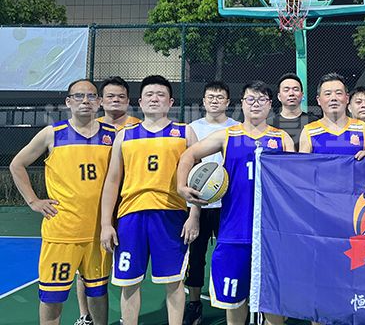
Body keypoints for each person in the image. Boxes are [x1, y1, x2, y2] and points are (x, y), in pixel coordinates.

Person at [177, 81, 294, 325]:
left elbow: (293, 182)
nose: (255, 104)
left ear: (270, 105)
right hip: (234, 232)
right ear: (242, 103)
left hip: (270, 235)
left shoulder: (282, 138)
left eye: (261, 99)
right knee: (233, 302)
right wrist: (181, 186)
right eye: (250, 99)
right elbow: (189, 154)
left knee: (272, 304)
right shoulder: (227, 136)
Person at [10, 79, 113, 325]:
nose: (85, 101)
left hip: (98, 232)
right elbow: (17, 164)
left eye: (91, 96)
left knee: (98, 291)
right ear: (68, 102)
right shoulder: (52, 133)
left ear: (99, 102)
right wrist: (33, 201)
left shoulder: (113, 136)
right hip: (62, 231)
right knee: (52, 296)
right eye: (79, 96)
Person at [100, 75, 198, 325]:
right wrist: (106, 224)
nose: (155, 99)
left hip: (171, 214)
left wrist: (194, 216)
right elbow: (112, 181)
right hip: (131, 216)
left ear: (170, 102)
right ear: (140, 102)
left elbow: (198, 179)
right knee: (129, 282)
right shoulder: (125, 135)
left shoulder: (185, 132)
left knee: (173, 281)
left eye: (161, 94)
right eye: (149, 95)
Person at [75, 76, 141, 325]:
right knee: (87, 267)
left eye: (121, 96)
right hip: (95, 208)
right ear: (101, 101)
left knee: (127, 266)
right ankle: (85, 316)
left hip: (127, 205)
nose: (116, 100)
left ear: (128, 101)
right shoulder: (90, 128)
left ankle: (127, 318)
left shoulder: (138, 128)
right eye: (110, 96)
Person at [183, 81, 239, 325]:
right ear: (204, 101)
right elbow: (190, 165)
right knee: (196, 256)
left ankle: (234, 303)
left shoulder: (237, 128)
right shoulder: (192, 128)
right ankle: (194, 304)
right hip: (200, 203)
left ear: (228, 102)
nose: (215, 100)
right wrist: (193, 213)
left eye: (220, 97)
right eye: (210, 97)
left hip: (229, 205)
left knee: (230, 256)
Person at [299, 73, 365, 159]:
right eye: (328, 94)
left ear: (347, 98)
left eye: (338, 93)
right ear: (318, 100)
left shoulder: (362, 128)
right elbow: (301, 165)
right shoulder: (309, 132)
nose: (333, 98)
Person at [268, 73, 318, 150]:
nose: (291, 93)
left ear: (302, 95)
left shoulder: (314, 123)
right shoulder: (269, 124)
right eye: (286, 90)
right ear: (279, 96)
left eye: (295, 89)